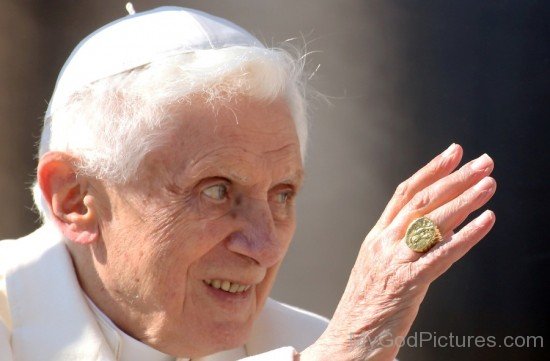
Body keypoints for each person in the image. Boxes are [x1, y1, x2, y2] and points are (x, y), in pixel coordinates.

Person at [0, 5, 497, 361]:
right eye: (216, 190)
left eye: (283, 195)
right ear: (75, 198)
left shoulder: (303, 337)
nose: (263, 246)